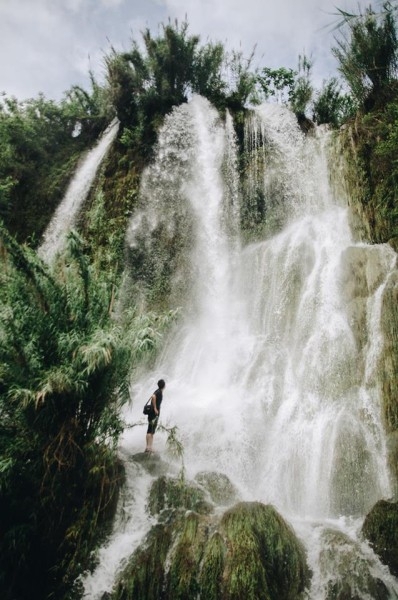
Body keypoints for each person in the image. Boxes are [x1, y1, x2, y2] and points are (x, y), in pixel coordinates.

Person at [145, 379, 166, 453]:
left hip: (152, 413)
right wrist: (155, 408)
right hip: (154, 413)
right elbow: (153, 397)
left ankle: (148, 447)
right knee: (151, 430)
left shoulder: (157, 391)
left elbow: (153, 396)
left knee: (150, 430)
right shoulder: (159, 392)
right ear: (164, 386)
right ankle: (149, 448)